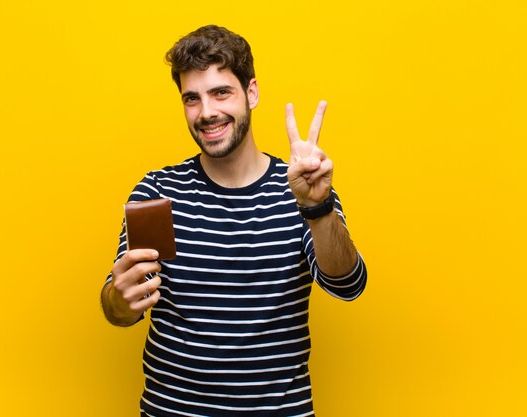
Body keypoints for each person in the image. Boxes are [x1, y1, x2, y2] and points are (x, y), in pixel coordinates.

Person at [101, 25, 367, 417]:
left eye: (220, 92)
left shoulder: (301, 187)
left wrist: (317, 207)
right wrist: (119, 300)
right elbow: (119, 309)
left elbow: (348, 286)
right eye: (192, 98)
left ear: (252, 93)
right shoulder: (157, 191)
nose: (207, 112)